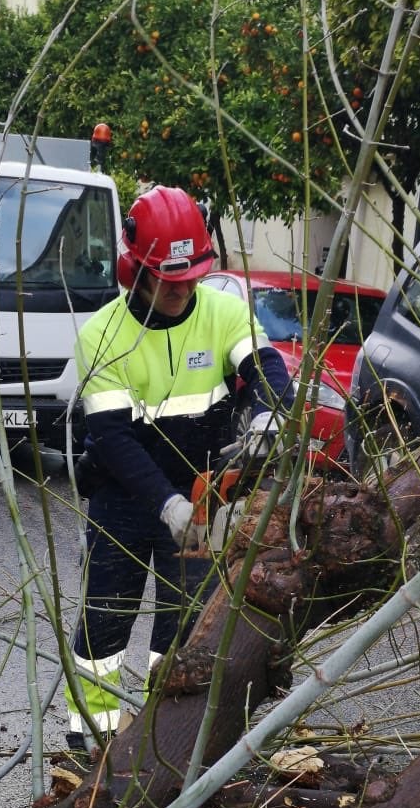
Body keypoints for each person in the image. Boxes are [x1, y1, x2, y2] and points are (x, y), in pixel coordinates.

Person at [64, 185, 293, 752]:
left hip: (203, 492)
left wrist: (269, 415)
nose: (180, 290)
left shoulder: (224, 313)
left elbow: (265, 367)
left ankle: (163, 738)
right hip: (123, 498)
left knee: (186, 625)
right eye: (168, 279)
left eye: (190, 278)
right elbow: (113, 439)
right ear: (136, 270)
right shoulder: (102, 334)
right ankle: (91, 736)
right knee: (105, 621)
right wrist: (167, 505)